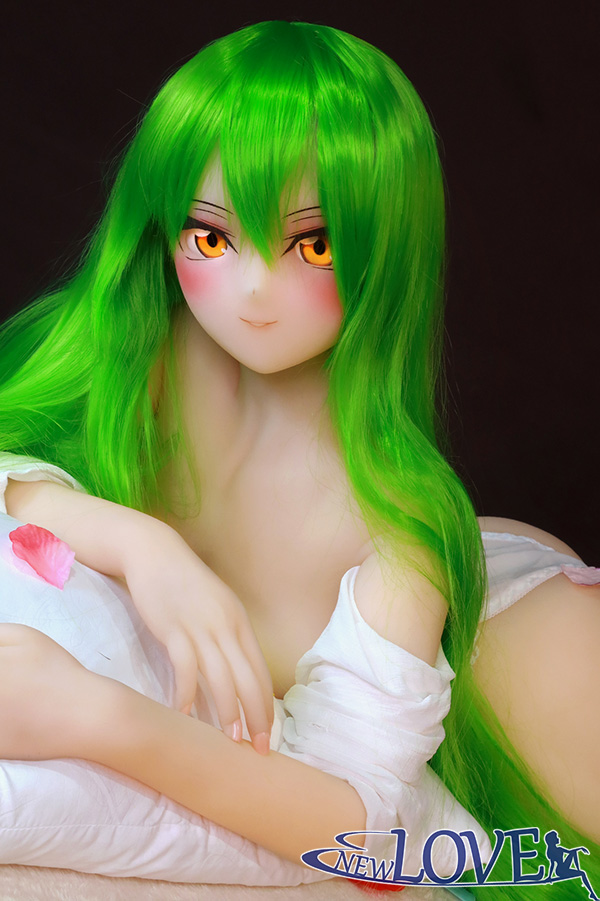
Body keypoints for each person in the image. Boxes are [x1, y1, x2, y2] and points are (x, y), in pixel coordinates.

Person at [0, 20, 598, 897]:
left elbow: (363, 829)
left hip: (521, 645)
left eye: (314, 245)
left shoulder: (402, 527)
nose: (254, 293)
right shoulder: (137, 349)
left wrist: (99, 716)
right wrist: (139, 543)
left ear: (386, 247)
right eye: (212, 238)